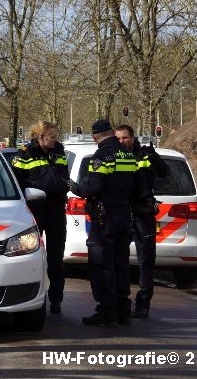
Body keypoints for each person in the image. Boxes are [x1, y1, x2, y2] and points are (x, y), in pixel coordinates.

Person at [69, 119, 135, 326]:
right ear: (112, 132)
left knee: (102, 265)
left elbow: (94, 188)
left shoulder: (102, 155)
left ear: (95, 136)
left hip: (105, 219)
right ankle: (123, 309)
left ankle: (107, 311)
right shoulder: (127, 153)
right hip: (125, 215)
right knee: (121, 264)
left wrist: (76, 188)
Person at [11, 121, 69, 314]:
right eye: (51, 137)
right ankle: (31, 297)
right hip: (35, 209)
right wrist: (35, 184)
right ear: (40, 137)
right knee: (32, 254)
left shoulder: (59, 151)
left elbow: (63, 176)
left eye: (55, 136)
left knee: (56, 256)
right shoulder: (25, 154)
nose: (55, 140)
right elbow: (16, 180)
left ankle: (57, 299)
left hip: (56, 209)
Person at [115, 124, 169, 318]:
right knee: (118, 260)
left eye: (125, 138)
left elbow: (164, 173)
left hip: (143, 212)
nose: (122, 141)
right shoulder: (113, 155)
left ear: (132, 137)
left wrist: (155, 157)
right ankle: (121, 302)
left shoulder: (144, 155)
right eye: (118, 138)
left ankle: (143, 304)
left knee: (146, 260)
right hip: (120, 212)